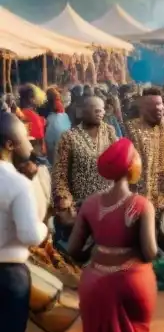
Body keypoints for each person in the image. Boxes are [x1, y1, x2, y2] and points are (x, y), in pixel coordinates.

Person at [69, 138, 158, 332]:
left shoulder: (90, 203)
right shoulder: (141, 205)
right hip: (132, 283)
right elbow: (149, 253)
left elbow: (73, 250)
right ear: (131, 166)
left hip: (95, 283)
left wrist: (97, 249)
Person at [0, 112, 48, 332]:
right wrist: (44, 228)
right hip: (9, 276)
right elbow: (30, 235)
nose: (29, 144)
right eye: (24, 139)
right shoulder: (18, 184)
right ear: (9, 144)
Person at [52, 95, 118, 233]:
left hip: (110, 203)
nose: (102, 113)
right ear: (83, 111)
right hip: (82, 206)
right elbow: (59, 173)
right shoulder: (69, 137)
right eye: (97, 110)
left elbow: (120, 161)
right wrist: (64, 198)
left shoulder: (110, 132)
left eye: (102, 110)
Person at [125, 87, 164, 214]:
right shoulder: (130, 129)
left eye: (159, 104)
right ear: (142, 109)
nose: (158, 108)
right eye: (151, 105)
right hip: (141, 199)